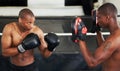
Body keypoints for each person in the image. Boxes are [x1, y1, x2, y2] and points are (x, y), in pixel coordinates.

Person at [71, 3, 120, 71]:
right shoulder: (115, 35)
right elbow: (105, 49)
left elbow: (92, 62)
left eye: (99, 17)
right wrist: (98, 31)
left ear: (107, 18)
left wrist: (81, 38)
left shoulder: (115, 39)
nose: (98, 20)